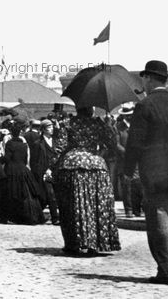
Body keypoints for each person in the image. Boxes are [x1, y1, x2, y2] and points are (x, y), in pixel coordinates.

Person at [125, 60, 168, 285]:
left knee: (159, 217)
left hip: (155, 168)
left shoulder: (145, 105)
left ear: (148, 78)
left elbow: (135, 143)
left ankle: (167, 271)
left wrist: (128, 170)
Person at [54, 106, 121, 255]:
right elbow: (112, 144)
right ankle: (95, 243)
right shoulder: (99, 124)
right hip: (96, 165)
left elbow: (60, 147)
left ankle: (74, 243)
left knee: (71, 206)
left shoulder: (68, 123)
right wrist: (109, 126)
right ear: (91, 109)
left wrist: (52, 166)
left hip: (71, 165)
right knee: (97, 204)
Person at [0, 122, 45, 225]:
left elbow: (7, 157)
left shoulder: (10, 143)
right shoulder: (24, 145)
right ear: (20, 132)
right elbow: (24, 159)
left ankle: (7, 216)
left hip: (11, 169)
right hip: (22, 169)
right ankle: (25, 216)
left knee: (9, 192)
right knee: (25, 193)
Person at [29, 120, 62, 225]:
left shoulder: (56, 142)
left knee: (53, 195)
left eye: (52, 127)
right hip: (43, 173)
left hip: (55, 171)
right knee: (49, 195)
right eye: (49, 127)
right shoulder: (38, 143)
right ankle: (55, 218)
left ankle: (38, 215)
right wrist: (40, 173)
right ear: (43, 129)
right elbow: (34, 161)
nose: (52, 129)